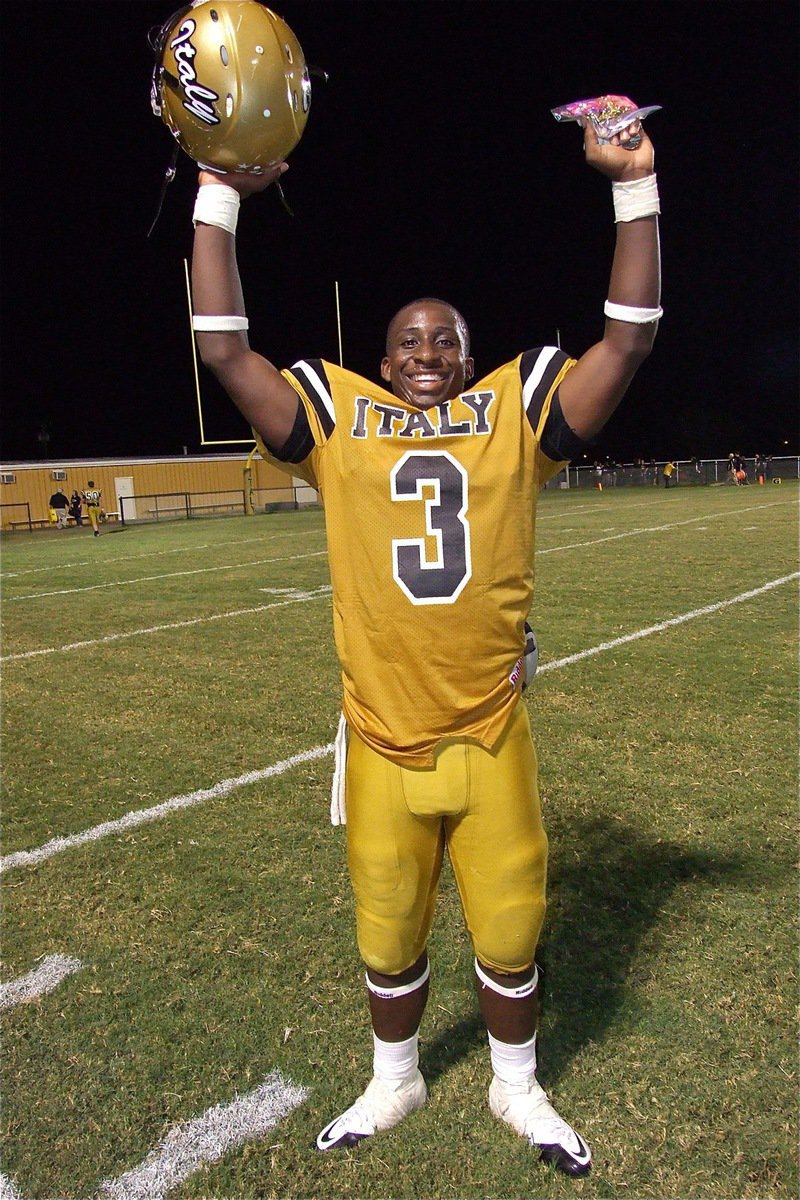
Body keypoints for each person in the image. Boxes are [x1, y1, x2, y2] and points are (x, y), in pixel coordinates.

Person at [189, 114, 661, 1177]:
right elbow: (223, 348)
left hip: (489, 727)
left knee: (508, 926)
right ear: (379, 356)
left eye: (444, 339)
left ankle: (513, 1085)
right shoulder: (336, 417)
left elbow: (625, 340)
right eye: (407, 339)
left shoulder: (513, 411)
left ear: (469, 350)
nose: (426, 356)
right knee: (386, 933)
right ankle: (392, 1077)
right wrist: (219, 196)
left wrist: (634, 186)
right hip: (382, 734)